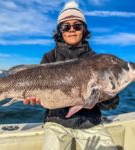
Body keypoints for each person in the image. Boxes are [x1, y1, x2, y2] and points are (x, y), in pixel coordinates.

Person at [24, 1, 119, 150]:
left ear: (84, 29)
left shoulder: (98, 59)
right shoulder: (49, 57)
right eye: (66, 26)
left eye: (77, 25)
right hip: (56, 122)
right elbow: (40, 93)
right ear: (60, 31)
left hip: (91, 123)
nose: (72, 30)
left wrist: (109, 92)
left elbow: (112, 105)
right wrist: (34, 97)